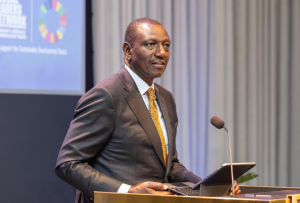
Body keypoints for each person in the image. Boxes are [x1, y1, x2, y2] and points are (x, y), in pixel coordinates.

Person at [55, 18, 241, 203]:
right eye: (151, 44)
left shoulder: (166, 98)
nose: (161, 53)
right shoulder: (107, 95)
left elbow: (171, 167)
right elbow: (68, 164)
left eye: (166, 45)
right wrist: (128, 191)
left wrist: (207, 185)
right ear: (128, 51)